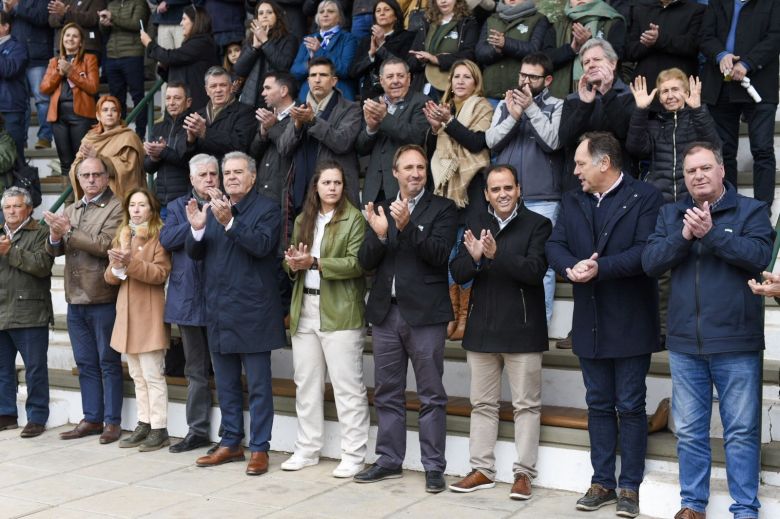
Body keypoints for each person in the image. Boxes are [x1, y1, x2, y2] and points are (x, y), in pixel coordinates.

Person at [642, 141, 773, 519]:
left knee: (741, 432)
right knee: (690, 432)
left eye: (704, 168)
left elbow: (759, 257)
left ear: (721, 171)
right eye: (690, 171)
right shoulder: (671, 214)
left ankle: (745, 508)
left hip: (736, 342)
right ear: (683, 178)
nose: (697, 176)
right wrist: (684, 237)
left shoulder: (752, 210)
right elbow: (651, 262)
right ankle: (692, 504)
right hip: (685, 344)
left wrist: (713, 234)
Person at [545, 132, 664, 518]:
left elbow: (647, 252)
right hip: (589, 319)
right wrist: (569, 266)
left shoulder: (644, 196)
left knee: (630, 405)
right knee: (597, 404)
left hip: (631, 319)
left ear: (604, 163)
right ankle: (602, 481)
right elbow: (555, 244)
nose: (575, 170)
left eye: (580, 163)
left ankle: (629, 485)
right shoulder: (572, 198)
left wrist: (598, 268)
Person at [355, 144, 457, 493]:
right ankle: (388, 460)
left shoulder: (443, 208)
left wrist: (408, 226)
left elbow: (440, 255)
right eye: (408, 167)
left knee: (431, 395)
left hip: (426, 316)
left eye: (420, 167)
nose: (415, 173)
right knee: (387, 392)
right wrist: (382, 233)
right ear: (395, 172)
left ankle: (433, 467)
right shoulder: (381, 207)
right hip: (386, 314)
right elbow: (365, 261)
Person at [448, 164, 551, 499]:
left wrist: (497, 254)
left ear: (518, 189)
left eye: (508, 188)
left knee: (526, 406)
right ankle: (482, 469)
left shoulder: (539, 224)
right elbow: (459, 272)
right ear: (486, 194)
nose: (503, 194)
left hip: (523, 329)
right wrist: (476, 259)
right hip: (482, 331)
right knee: (482, 404)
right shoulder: (476, 223)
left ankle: (523, 474)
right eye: (496, 190)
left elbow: (535, 272)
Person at [186, 151, 286, 476]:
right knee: (226, 384)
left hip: (254, 313)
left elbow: (260, 245)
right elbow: (195, 254)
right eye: (226, 172)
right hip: (219, 311)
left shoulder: (268, 209)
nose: (229, 177)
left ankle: (259, 448)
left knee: (258, 387)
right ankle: (230, 442)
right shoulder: (212, 209)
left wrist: (229, 221)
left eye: (237, 172)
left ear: (253, 177)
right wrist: (199, 229)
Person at [282, 161, 370, 478]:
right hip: (305, 308)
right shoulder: (304, 219)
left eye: (337, 183)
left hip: (342, 312)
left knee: (348, 388)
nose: (332, 188)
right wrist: (293, 264)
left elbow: (357, 264)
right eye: (326, 182)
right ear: (316, 187)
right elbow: (292, 264)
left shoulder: (354, 219)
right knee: (306, 385)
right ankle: (307, 449)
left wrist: (315, 262)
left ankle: (354, 454)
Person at [44, 157, 125, 445]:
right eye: (85, 175)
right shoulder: (73, 208)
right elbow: (56, 251)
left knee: (107, 362)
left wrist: (67, 231)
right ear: (78, 179)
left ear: (106, 177)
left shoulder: (117, 206)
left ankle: (112, 422)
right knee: (85, 362)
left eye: (96, 175)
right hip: (74, 296)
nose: (90, 180)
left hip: (102, 294)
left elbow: (105, 245)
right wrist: (55, 236)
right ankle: (92, 418)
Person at [485, 52, 563, 326]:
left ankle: (537, 324)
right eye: (522, 75)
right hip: (506, 197)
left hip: (543, 197)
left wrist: (530, 109)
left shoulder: (556, 105)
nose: (525, 81)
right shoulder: (506, 105)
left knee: (542, 266)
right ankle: (508, 323)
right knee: (503, 257)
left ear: (548, 79)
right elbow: (491, 141)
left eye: (533, 76)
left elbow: (553, 141)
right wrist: (514, 115)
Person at [423, 58, 492, 340]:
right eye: (456, 77)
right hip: (446, 193)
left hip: (471, 191)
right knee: (450, 254)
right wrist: (434, 129)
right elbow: (433, 154)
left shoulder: (483, 107)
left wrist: (448, 123)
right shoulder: (444, 109)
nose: (460, 81)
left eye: (467, 77)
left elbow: (477, 143)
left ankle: (466, 317)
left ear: (476, 82)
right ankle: (452, 316)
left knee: (466, 254)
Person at [104, 187, 172, 452]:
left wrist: (130, 262)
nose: (136, 209)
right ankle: (144, 423)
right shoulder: (123, 235)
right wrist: (118, 264)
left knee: (153, 373)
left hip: (149, 313)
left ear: (152, 210)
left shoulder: (159, 237)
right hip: (127, 315)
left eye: (142, 205)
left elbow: (159, 273)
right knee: (136, 374)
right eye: (132, 205)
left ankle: (159, 427)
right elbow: (110, 278)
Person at [160, 154, 217, 453]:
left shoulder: (229, 204)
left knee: (227, 367)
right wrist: (196, 223)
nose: (209, 179)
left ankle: (231, 434)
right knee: (195, 369)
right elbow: (166, 239)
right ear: (192, 180)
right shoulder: (176, 206)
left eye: (213, 174)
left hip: (223, 299)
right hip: (188, 299)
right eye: (203, 175)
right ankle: (197, 430)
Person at [700, 0, 780, 210]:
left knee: (762, 150)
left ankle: (763, 209)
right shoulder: (717, 2)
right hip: (721, 86)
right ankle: (728, 207)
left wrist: (748, 63)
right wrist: (720, 54)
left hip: (759, 86)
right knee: (723, 152)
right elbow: (705, 36)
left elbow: (775, 38)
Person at [0, 187, 54, 438]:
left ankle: (37, 417)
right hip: (2, 311)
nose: (11, 211)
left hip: (30, 311)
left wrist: (10, 251)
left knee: (35, 368)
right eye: (7, 207)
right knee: (2, 368)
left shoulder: (42, 231)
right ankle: (6, 414)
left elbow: (42, 266)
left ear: (29, 209)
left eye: (16, 206)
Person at [278, 57, 361, 213]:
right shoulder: (300, 108)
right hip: (302, 194)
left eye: (323, 75)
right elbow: (283, 148)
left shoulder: (351, 109)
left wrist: (313, 120)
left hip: (335, 193)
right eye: (313, 75)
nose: (317, 80)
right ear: (308, 80)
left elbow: (342, 142)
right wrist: (297, 125)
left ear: (334, 80)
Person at [627, 70, 721, 204]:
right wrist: (640, 110)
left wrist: (698, 110)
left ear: (686, 93)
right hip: (659, 201)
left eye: (675, 89)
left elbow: (714, 146)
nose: (670, 96)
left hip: (694, 199)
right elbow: (635, 149)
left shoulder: (698, 120)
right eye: (665, 92)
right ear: (659, 98)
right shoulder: (654, 125)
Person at [357, 58, 430, 203]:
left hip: (405, 187)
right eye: (390, 77)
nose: (395, 81)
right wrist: (371, 129)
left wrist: (384, 118)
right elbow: (361, 148)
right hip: (374, 189)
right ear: (381, 81)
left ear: (409, 79)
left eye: (400, 76)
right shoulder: (374, 103)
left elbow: (416, 138)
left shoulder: (422, 102)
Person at [40, 22, 99, 178]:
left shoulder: (89, 59)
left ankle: (84, 200)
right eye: (67, 35)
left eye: (75, 36)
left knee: (82, 161)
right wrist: (59, 73)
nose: (70, 39)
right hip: (58, 116)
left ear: (81, 41)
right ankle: (69, 202)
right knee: (65, 163)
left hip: (81, 115)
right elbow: (44, 88)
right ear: (62, 39)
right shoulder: (54, 61)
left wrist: (71, 72)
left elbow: (93, 87)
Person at [141, 5, 219, 111]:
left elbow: (171, 57)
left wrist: (149, 44)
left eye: (184, 19)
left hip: (196, 107)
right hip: (186, 106)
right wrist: (164, 68)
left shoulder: (202, 43)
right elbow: (177, 74)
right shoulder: (193, 43)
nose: (181, 23)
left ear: (195, 22)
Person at [251, 71, 299, 242]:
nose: (263, 93)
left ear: (284, 90)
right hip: (262, 194)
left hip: (287, 198)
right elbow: (254, 154)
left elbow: (287, 148)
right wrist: (263, 132)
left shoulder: (299, 116)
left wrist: (272, 127)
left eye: (267, 88)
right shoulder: (268, 117)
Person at [69, 95, 146, 201]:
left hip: (117, 201)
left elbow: (127, 170)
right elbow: (75, 167)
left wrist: (97, 158)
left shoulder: (129, 137)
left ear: (119, 115)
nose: (109, 114)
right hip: (93, 199)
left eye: (114, 110)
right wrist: (86, 164)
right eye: (105, 110)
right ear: (98, 115)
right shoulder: (89, 138)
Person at [546, 0, 625, 99]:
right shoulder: (558, 25)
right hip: (563, 96)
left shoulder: (612, 21)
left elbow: (617, 56)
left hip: (605, 93)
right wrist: (572, 49)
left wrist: (589, 42)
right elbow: (544, 61)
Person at [474, 0, 552, 100]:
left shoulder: (538, 19)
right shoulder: (491, 19)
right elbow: (479, 53)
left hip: (522, 94)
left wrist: (506, 44)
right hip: (491, 93)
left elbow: (535, 51)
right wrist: (496, 50)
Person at [97, 0, 150, 139]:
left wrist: (112, 17)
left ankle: (140, 134)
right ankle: (119, 134)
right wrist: (103, 23)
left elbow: (136, 24)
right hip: (112, 56)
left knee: (137, 96)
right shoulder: (112, 4)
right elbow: (104, 32)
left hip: (132, 55)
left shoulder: (139, 3)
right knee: (116, 99)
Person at [6, 0, 54, 150]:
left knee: (42, 99)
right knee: (21, 101)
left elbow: (42, 17)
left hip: (37, 55)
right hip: (16, 55)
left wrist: (17, 7)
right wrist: (7, 10)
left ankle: (45, 137)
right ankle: (22, 139)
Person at [183, 66, 257, 163]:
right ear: (206, 90)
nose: (218, 90)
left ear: (231, 88)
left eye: (223, 85)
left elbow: (241, 146)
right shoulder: (197, 115)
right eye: (213, 86)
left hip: (230, 174)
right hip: (203, 175)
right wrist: (190, 141)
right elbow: (186, 159)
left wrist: (206, 133)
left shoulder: (246, 112)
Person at [233, 1, 298, 110]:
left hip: (275, 98)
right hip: (251, 98)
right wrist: (254, 48)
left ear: (277, 16)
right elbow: (239, 70)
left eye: (269, 12)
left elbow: (283, 66)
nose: (264, 16)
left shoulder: (289, 39)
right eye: (261, 13)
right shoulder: (250, 40)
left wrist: (265, 41)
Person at [624, 0, 704, 88]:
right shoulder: (641, 9)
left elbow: (692, 46)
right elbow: (629, 51)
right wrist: (649, 42)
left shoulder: (696, 10)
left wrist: (659, 40)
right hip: (645, 86)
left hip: (679, 84)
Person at [407, 0, 479, 99]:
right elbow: (411, 61)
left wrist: (436, 59)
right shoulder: (427, 23)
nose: (443, 1)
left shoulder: (467, 23)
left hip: (453, 89)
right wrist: (420, 59)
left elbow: (470, 56)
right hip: (423, 86)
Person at [291, 0, 358, 101]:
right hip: (308, 96)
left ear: (339, 17)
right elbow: (295, 71)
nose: (325, 14)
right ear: (317, 17)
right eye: (321, 12)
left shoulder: (348, 38)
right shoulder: (308, 39)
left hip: (339, 94)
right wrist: (310, 62)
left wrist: (319, 51)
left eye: (330, 11)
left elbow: (346, 70)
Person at [350, 0, 415, 101]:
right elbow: (353, 72)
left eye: (387, 10)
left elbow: (405, 66)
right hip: (371, 97)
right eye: (378, 11)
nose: (382, 13)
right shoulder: (367, 40)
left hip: (398, 96)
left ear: (396, 16)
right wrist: (370, 55)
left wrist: (381, 46)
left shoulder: (407, 37)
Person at [144, 82, 193, 210]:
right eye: (168, 98)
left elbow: (188, 161)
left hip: (186, 200)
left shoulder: (192, 126)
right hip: (161, 200)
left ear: (188, 102)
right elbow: (148, 168)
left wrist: (163, 151)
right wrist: (154, 158)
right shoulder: (158, 128)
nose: (171, 103)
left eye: (177, 98)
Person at [0, 11, 29, 162]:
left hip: (10, 109)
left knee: (15, 156)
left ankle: (19, 186)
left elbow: (8, 70)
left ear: (6, 26)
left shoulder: (18, 47)